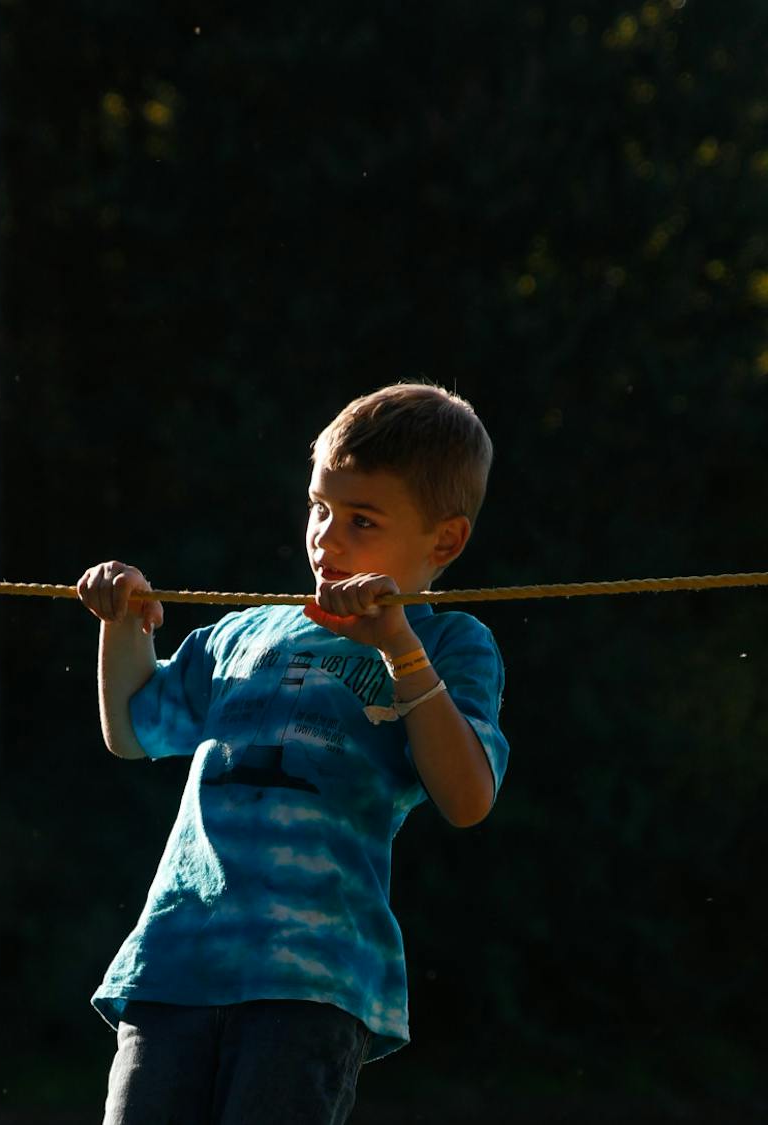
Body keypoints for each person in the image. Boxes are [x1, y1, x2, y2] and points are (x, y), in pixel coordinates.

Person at [76, 382, 509, 1125]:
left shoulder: (447, 644)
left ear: (444, 541)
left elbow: (468, 797)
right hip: (174, 965)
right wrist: (124, 625)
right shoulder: (244, 633)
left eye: (361, 520)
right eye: (319, 508)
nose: (326, 539)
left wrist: (398, 647)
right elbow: (134, 727)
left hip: (311, 985)